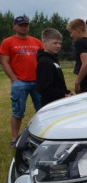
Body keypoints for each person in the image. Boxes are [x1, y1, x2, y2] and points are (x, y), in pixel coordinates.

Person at [0, 15, 43, 146]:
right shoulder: (8, 42)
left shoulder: (37, 42)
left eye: (26, 25)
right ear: (15, 26)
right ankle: (14, 139)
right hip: (20, 83)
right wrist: (14, 79)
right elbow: (4, 62)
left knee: (42, 111)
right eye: (21, 25)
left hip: (37, 82)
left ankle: (42, 136)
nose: (24, 27)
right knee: (18, 112)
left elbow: (43, 60)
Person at [36, 28, 72, 106]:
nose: (58, 46)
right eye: (55, 43)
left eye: (60, 43)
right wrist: (63, 95)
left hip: (59, 101)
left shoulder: (53, 59)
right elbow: (44, 88)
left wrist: (67, 92)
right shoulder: (44, 62)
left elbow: (57, 82)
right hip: (51, 104)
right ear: (44, 42)